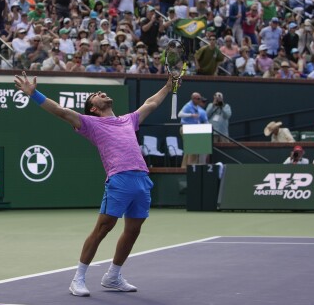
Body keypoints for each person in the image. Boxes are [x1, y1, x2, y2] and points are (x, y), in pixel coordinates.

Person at [14, 71, 173, 297]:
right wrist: (34, 94)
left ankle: (113, 276)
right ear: (94, 109)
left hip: (142, 179)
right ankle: (78, 278)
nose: (101, 94)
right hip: (119, 179)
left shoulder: (129, 119)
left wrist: (168, 85)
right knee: (104, 227)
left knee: (133, 230)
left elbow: (151, 103)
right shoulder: (91, 123)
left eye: (101, 92)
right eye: (96, 95)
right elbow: (61, 111)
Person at [178, 92, 208, 166]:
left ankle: (185, 168)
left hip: (193, 130)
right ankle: (190, 168)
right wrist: (191, 115)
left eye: (200, 99)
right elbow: (180, 114)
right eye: (198, 99)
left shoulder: (198, 108)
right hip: (186, 129)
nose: (199, 100)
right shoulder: (188, 105)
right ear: (193, 99)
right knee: (192, 150)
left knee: (190, 151)